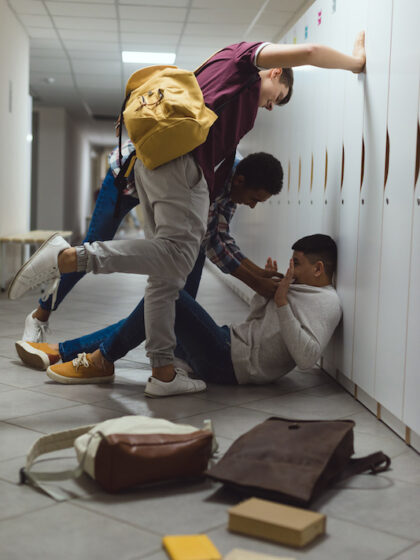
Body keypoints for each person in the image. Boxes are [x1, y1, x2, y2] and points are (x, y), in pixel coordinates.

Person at [9, 35, 364, 396]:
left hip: (154, 162)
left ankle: (163, 373)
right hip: (183, 165)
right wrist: (355, 62)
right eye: (278, 97)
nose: (272, 106)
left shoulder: (220, 65)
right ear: (274, 72)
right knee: (177, 257)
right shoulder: (246, 61)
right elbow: (310, 51)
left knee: (168, 276)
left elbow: (219, 240)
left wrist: (259, 277)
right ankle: (72, 260)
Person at [16, 235, 342, 396]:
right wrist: (266, 294)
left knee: (169, 293)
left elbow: (306, 358)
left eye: (296, 263)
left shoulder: (327, 304)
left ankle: (94, 357)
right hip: (228, 343)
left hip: (231, 363)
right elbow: (259, 324)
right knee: (156, 309)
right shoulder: (295, 286)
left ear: (318, 269)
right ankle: (82, 355)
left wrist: (282, 303)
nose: (290, 269)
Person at [21, 148, 284, 342]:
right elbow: (212, 241)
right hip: (125, 177)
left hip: (159, 188)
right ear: (240, 181)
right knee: (93, 246)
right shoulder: (213, 175)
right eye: (253, 198)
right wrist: (257, 282)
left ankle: (172, 354)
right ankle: (40, 315)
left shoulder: (235, 181)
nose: (251, 205)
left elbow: (220, 236)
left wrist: (258, 274)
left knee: (182, 293)